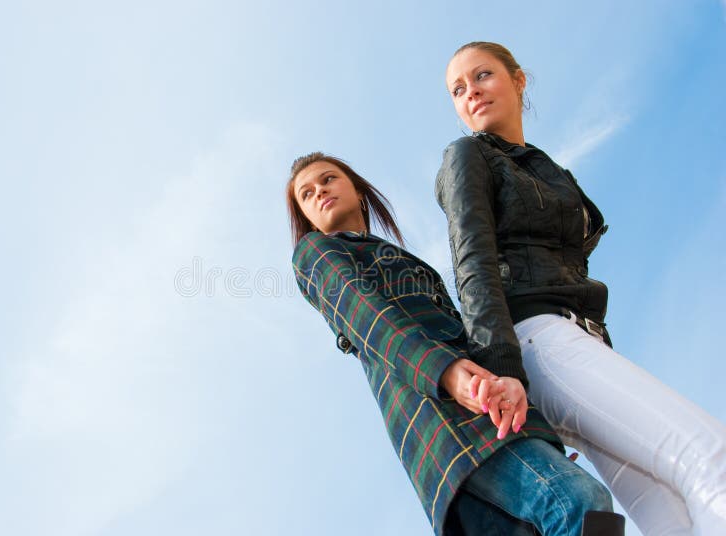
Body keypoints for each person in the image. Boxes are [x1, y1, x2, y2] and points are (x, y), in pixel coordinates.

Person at [435, 41, 726, 535]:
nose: (471, 93)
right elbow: (473, 264)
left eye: (482, 75)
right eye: (458, 89)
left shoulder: (543, 169)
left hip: (579, 341)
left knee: (673, 513)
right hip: (538, 341)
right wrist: (507, 374)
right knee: (707, 457)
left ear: (518, 79)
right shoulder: (466, 156)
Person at [287, 151, 622, 535]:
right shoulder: (315, 253)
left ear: (358, 190)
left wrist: (534, 431)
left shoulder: (406, 260)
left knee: (566, 509)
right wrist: (444, 373)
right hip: (442, 417)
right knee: (576, 502)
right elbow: (370, 321)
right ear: (306, 218)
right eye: (307, 194)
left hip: (484, 410)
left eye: (328, 179)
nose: (320, 192)